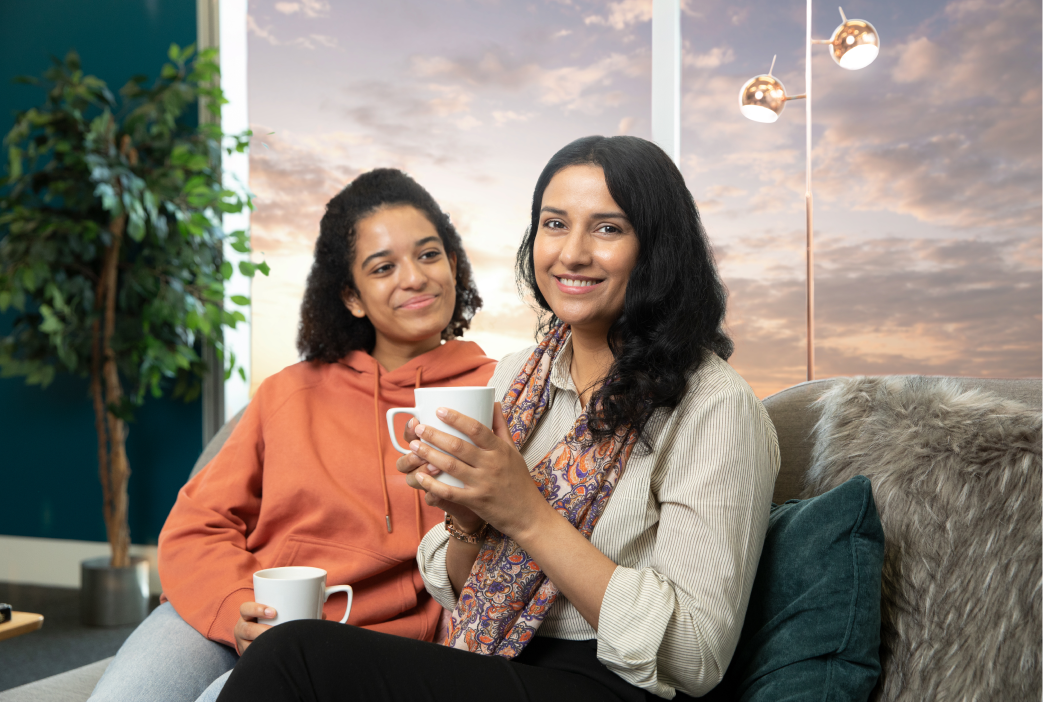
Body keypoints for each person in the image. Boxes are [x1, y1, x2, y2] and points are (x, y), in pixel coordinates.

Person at [216, 136, 780, 702]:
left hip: (618, 684)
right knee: (289, 652)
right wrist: (468, 516)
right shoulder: (516, 378)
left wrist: (527, 514)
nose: (572, 253)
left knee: (296, 657)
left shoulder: (714, 406)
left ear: (657, 248)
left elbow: (695, 654)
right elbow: (466, 591)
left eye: (608, 228)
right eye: (554, 225)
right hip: (498, 657)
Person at [87, 169, 496, 702]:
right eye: (383, 267)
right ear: (352, 297)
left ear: (453, 265)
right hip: (245, 611)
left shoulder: (498, 389)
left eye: (428, 255)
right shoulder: (288, 392)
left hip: (361, 642)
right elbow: (198, 525)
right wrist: (237, 607)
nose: (414, 278)